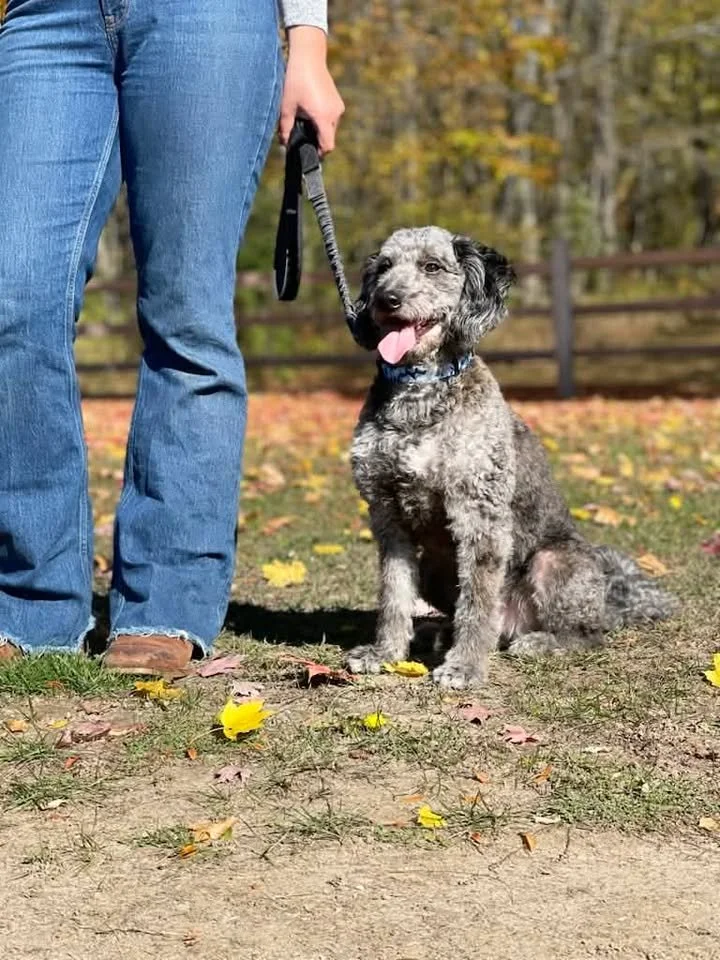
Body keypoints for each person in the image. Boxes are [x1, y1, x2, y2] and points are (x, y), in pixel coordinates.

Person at [0, 0, 343, 674]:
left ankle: (167, 605)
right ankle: (30, 603)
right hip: (47, 18)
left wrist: (309, 41)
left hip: (210, 18)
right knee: (15, 297)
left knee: (187, 310)